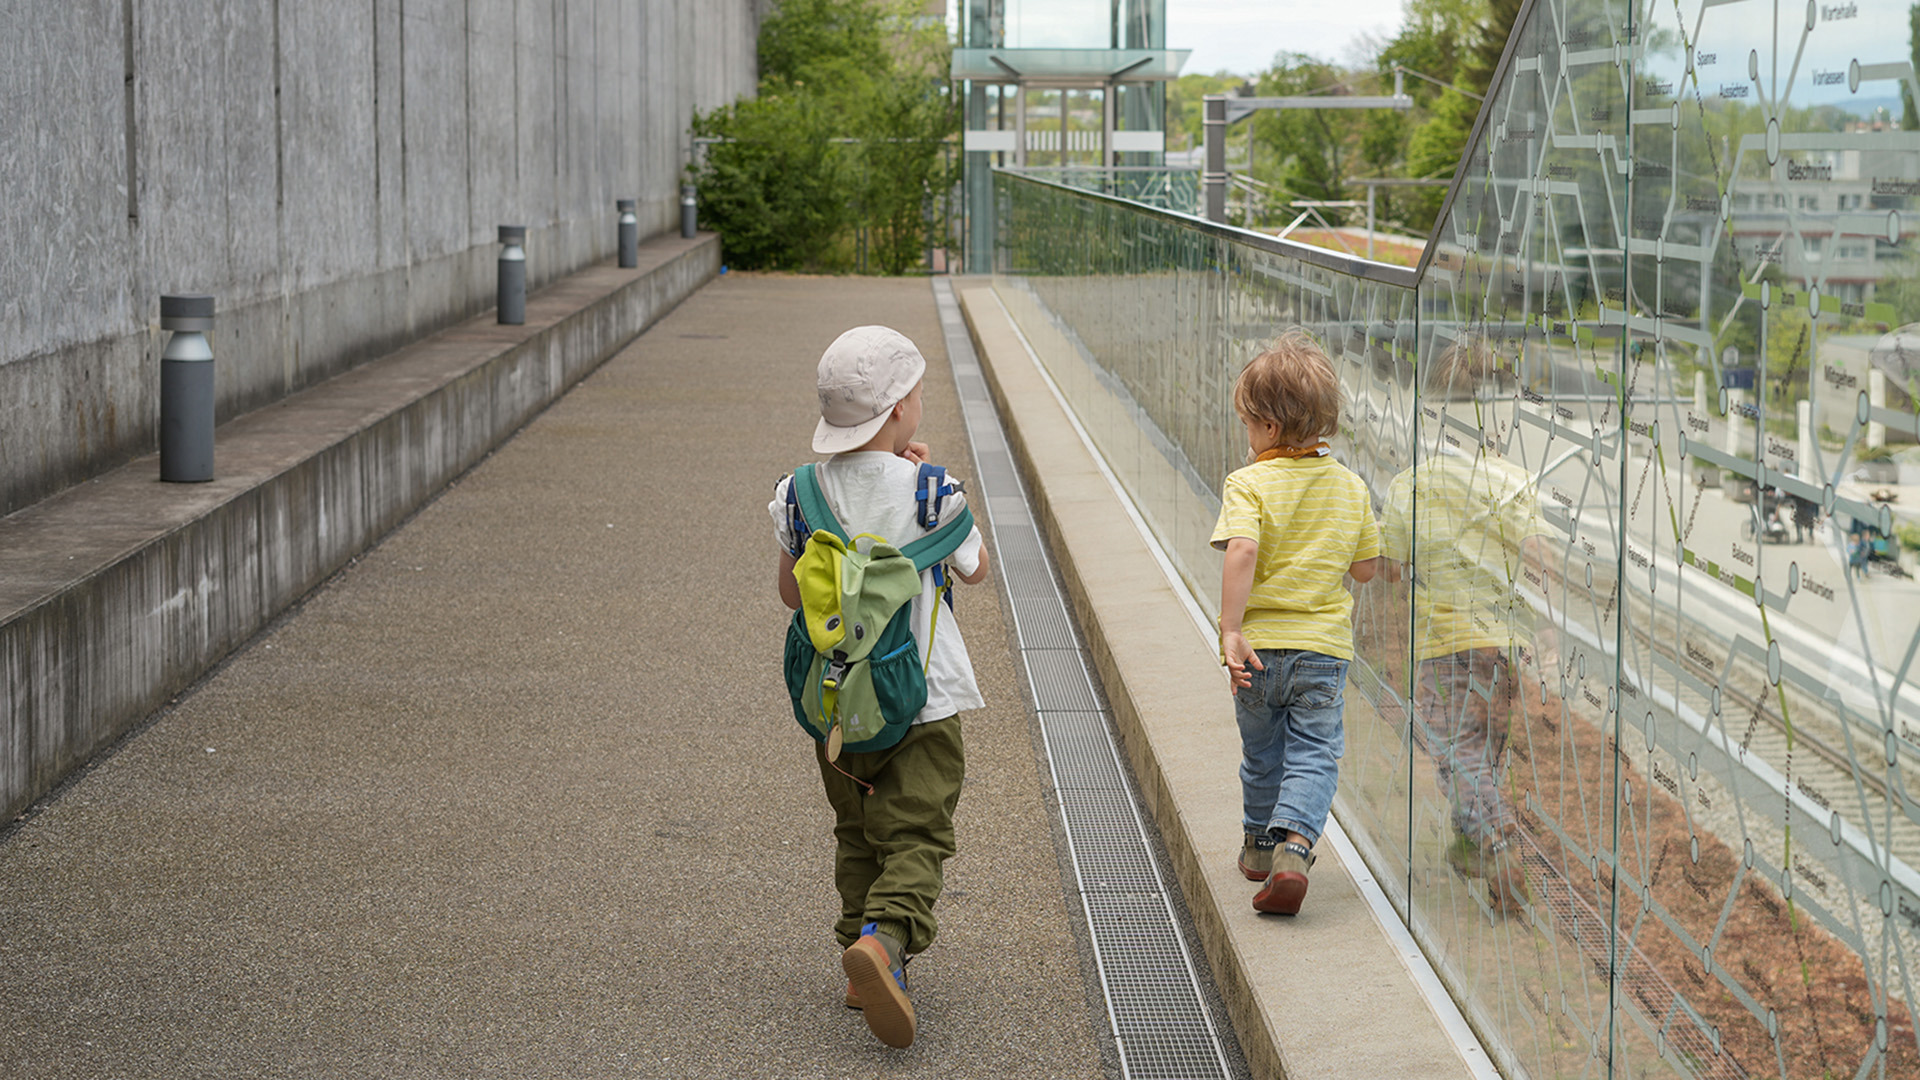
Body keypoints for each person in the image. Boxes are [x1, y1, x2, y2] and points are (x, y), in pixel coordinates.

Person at [768, 326, 992, 1049]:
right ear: (898, 410)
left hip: (838, 706)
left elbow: (787, 594)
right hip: (921, 700)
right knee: (919, 831)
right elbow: (974, 570)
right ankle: (886, 942)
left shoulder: (799, 492)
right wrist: (921, 483)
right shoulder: (934, 491)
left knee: (859, 829)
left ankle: (854, 955)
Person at [1380, 338, 1555, 917]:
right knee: (1484, 751)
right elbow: (1537, 557)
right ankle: (1468, 846)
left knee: (1458, 751)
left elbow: (1390, 565)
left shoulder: (1411, 484)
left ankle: (1499, 844)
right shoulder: (1512, 482)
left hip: (1441, 645)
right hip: (1502, 649)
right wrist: (1548, 634)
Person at [1212, 328, 1382, 916]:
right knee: (1313, 753)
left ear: (1268, 428)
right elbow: (1363, 569)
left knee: (1261, 753)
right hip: (1321, 653)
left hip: (1257, 651)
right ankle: (1295, 848)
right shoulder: (1351, 488)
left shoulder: (1249, 482)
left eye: (1249, 424)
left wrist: (1231, 629)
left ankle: (1258, 848)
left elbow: (1242, 550)